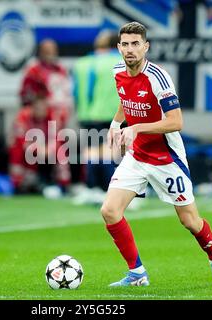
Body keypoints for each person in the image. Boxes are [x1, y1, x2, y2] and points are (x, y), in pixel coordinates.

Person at [102, 22, 212, 288]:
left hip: (166, 159)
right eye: (125, 44)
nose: (130, 50)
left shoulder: (158, 77)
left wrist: (136, 127)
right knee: (110, 211)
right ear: (118, 47)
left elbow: (176, 122)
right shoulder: (118, 71)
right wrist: (116, 125)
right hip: (138, 157)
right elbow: (125, 99)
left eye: (135, 44)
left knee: (189, 220)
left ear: (145, 46)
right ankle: (137, 273)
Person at [72, 30, 122, 205]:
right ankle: (111, 191)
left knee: (92, 153)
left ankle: (92, 188)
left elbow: (76, 91)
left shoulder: (82, 63)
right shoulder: (122, 62)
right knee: (112, 153)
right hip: (114, 114)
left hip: (87, 114)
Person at [9, 82, 70, 195]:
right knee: (16, 148)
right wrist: (37, 149)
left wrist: (48, 149)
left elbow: (56, 137)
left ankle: (63, 185)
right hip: (29, 150)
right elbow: (21, 140)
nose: (41, 110)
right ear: (32, 107)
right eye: (37, 107)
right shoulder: (23, 116)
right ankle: (18, 185)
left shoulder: (53, 116)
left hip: (47, 150)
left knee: (61, 149)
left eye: (43, 107)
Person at [19, 38, 73, 130]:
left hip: (59, 116)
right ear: (40, 52)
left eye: (52, 51)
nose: (50, 54)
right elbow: (25, 95)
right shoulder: (34, 71)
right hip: (41, 120)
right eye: (47, 51)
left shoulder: (61, 70)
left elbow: (66, 93)